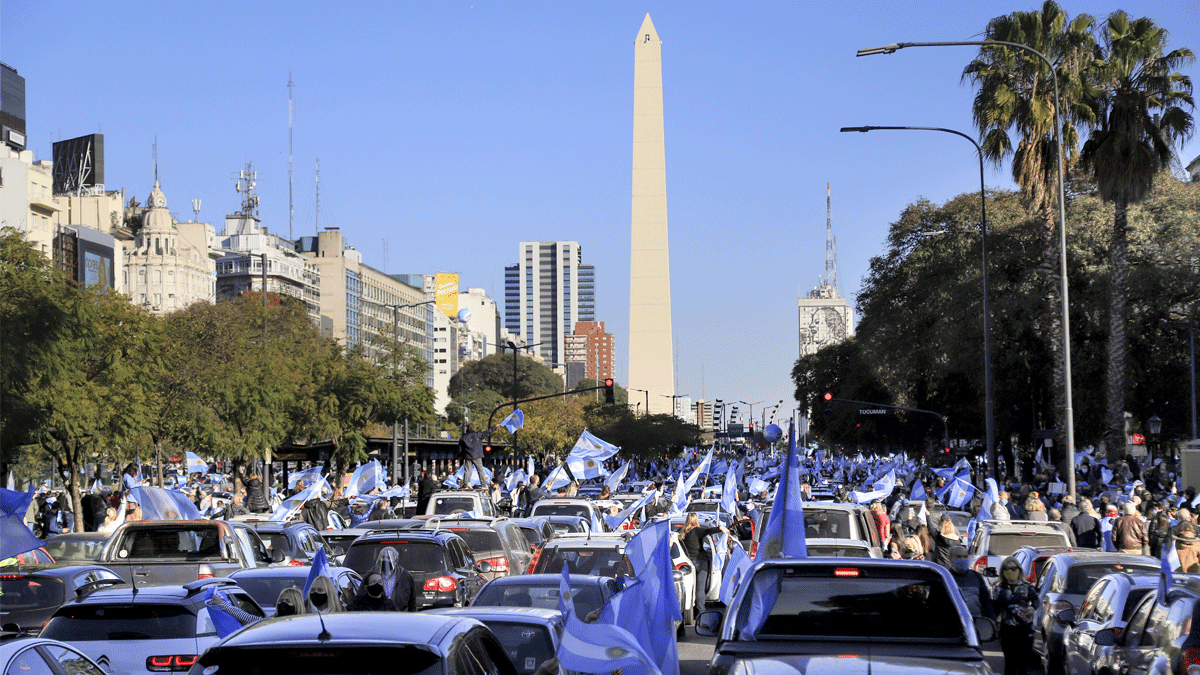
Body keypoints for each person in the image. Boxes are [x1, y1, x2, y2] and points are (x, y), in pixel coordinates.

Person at [994, 555, 1040, 675]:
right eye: (1007, 569)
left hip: (1025, 630)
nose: (1010, 572)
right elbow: (995, 608)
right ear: (1002, 572)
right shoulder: (999, 588)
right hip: (1007, 630)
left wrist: (1032, 607)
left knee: (1023, 664)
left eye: (1014, 568)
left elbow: (1036, 600)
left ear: (1019, 570)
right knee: (1009, 664)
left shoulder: (1027, 586)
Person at [679, 513, 728, 620]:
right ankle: (701, 611)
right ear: (695, 521)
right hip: (701, 562)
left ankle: (688, 610)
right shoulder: (697, 531)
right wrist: (720, 528)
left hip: (688, 564)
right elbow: (708, 531)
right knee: (700, 589)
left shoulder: (681, 534)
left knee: (690, 588)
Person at [948, 545, 995, 621]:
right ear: (950, 559)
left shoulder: (976, 576)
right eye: (959, 557)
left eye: (965, 556)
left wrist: (991, 622)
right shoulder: (946, 576)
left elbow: (986, 602)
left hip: (975, 622)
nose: (962, 559)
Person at [458, 424, 491, 490]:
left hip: (468, 456)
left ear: (467, 429)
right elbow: (487, 433)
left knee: (467, 471)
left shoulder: (463, 437)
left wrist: (460, 456)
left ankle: (465, 484)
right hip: (477, 456)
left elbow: (460, 449)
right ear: (473, 429)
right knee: (480, 470)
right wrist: (494, 427)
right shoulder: (478, 435)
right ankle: (483, 484)